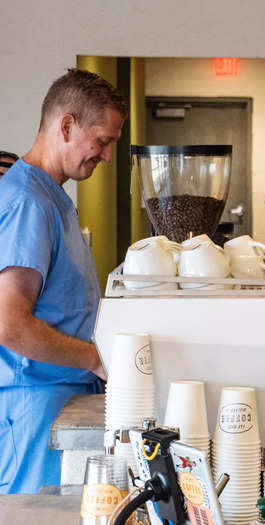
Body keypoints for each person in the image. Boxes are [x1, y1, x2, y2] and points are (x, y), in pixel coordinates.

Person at [0, 68, 127, 494]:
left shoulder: (53, 198)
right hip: (34, 402)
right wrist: (93, 357)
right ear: (67, 124)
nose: (107, 156)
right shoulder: (27, 202)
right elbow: (10, 324)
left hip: (62, 398)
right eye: (103, 140)